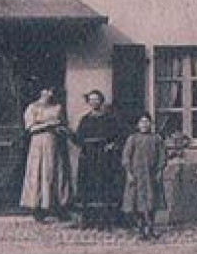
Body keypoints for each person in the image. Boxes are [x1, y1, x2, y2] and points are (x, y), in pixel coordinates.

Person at [73, 90, 124, 229]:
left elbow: (118, 135)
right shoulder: (85, 119)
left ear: (101, 101)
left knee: (104, 185)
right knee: (89, 185)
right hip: (88, 156)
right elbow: (78, 138)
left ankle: (105, 219)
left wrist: (111, 145)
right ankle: (89, 219)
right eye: (91, 100)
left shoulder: (109, 118)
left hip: (104, 157)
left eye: (96, 99)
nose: (94, 102)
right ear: (88, 102)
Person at [19, 87, 71, 221]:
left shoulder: (58, 107)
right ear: (40, 92)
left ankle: (57, 206)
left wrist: (59, 128)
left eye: (52, 91)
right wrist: (47, 125)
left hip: (55, 144)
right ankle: (38, 207)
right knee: (38, 172)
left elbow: (63, 124)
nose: (50, 94)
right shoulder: (32, 108)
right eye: (46, 91)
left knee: (55, 171)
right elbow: (30, 127)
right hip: (38, 144)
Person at [121, 114, 168, 240]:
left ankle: (151, 228)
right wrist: (129, 174)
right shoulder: (133, 139)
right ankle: (141, 229)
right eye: (142, 122)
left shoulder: (156, 139)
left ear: (151, 124)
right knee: (136, 203)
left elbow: (162, 157)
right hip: (136, 176)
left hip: (151, 175)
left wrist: (159, 172)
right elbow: (126, 157)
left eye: (147, 122)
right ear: (138, 125)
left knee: (152, 202)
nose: (144, 124)